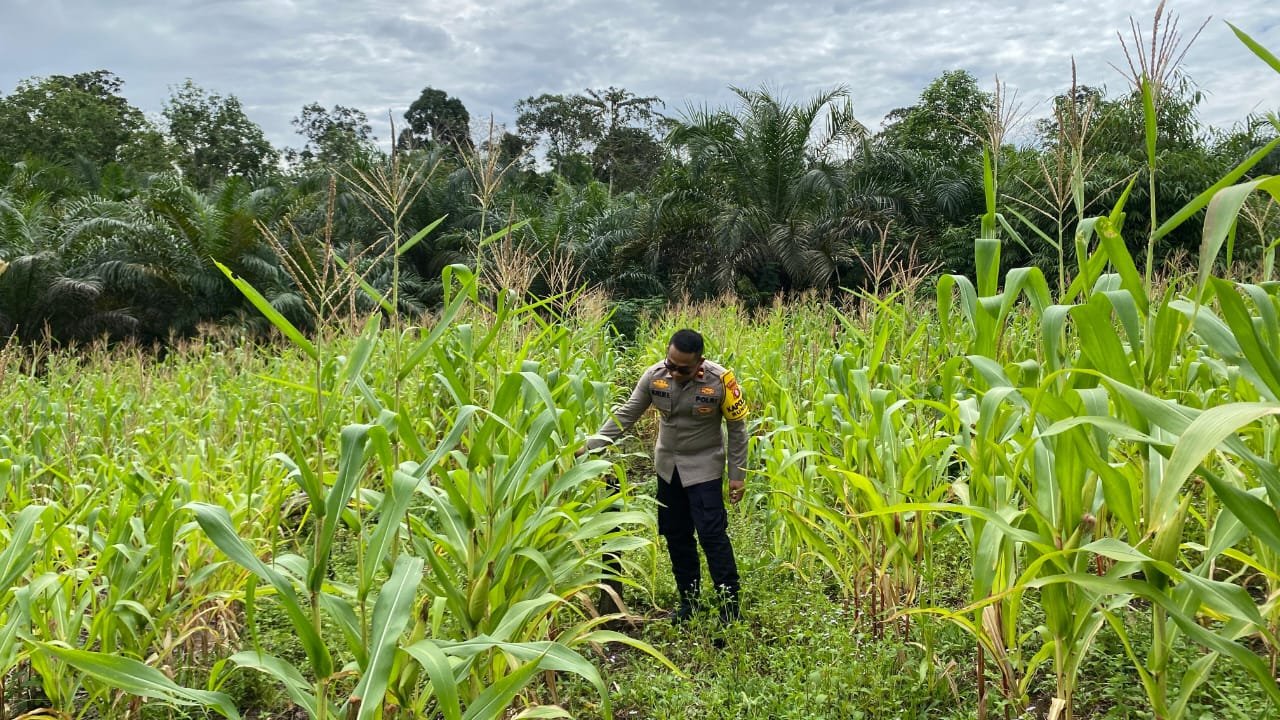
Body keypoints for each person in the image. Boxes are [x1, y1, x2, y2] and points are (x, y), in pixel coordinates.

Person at [584, 328, 749, 623]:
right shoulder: (654, 376)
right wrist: (589, 446)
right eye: (669, 363)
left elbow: (737, 428)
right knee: (676, 536)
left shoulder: (721, 380)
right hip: (668, 468)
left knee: (712, 537)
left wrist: (737, 474)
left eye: (681, 368)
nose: (672, 371)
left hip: (705, 468)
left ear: (699, 363)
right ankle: (690, 602)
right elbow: (627, 414)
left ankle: (729, 608)